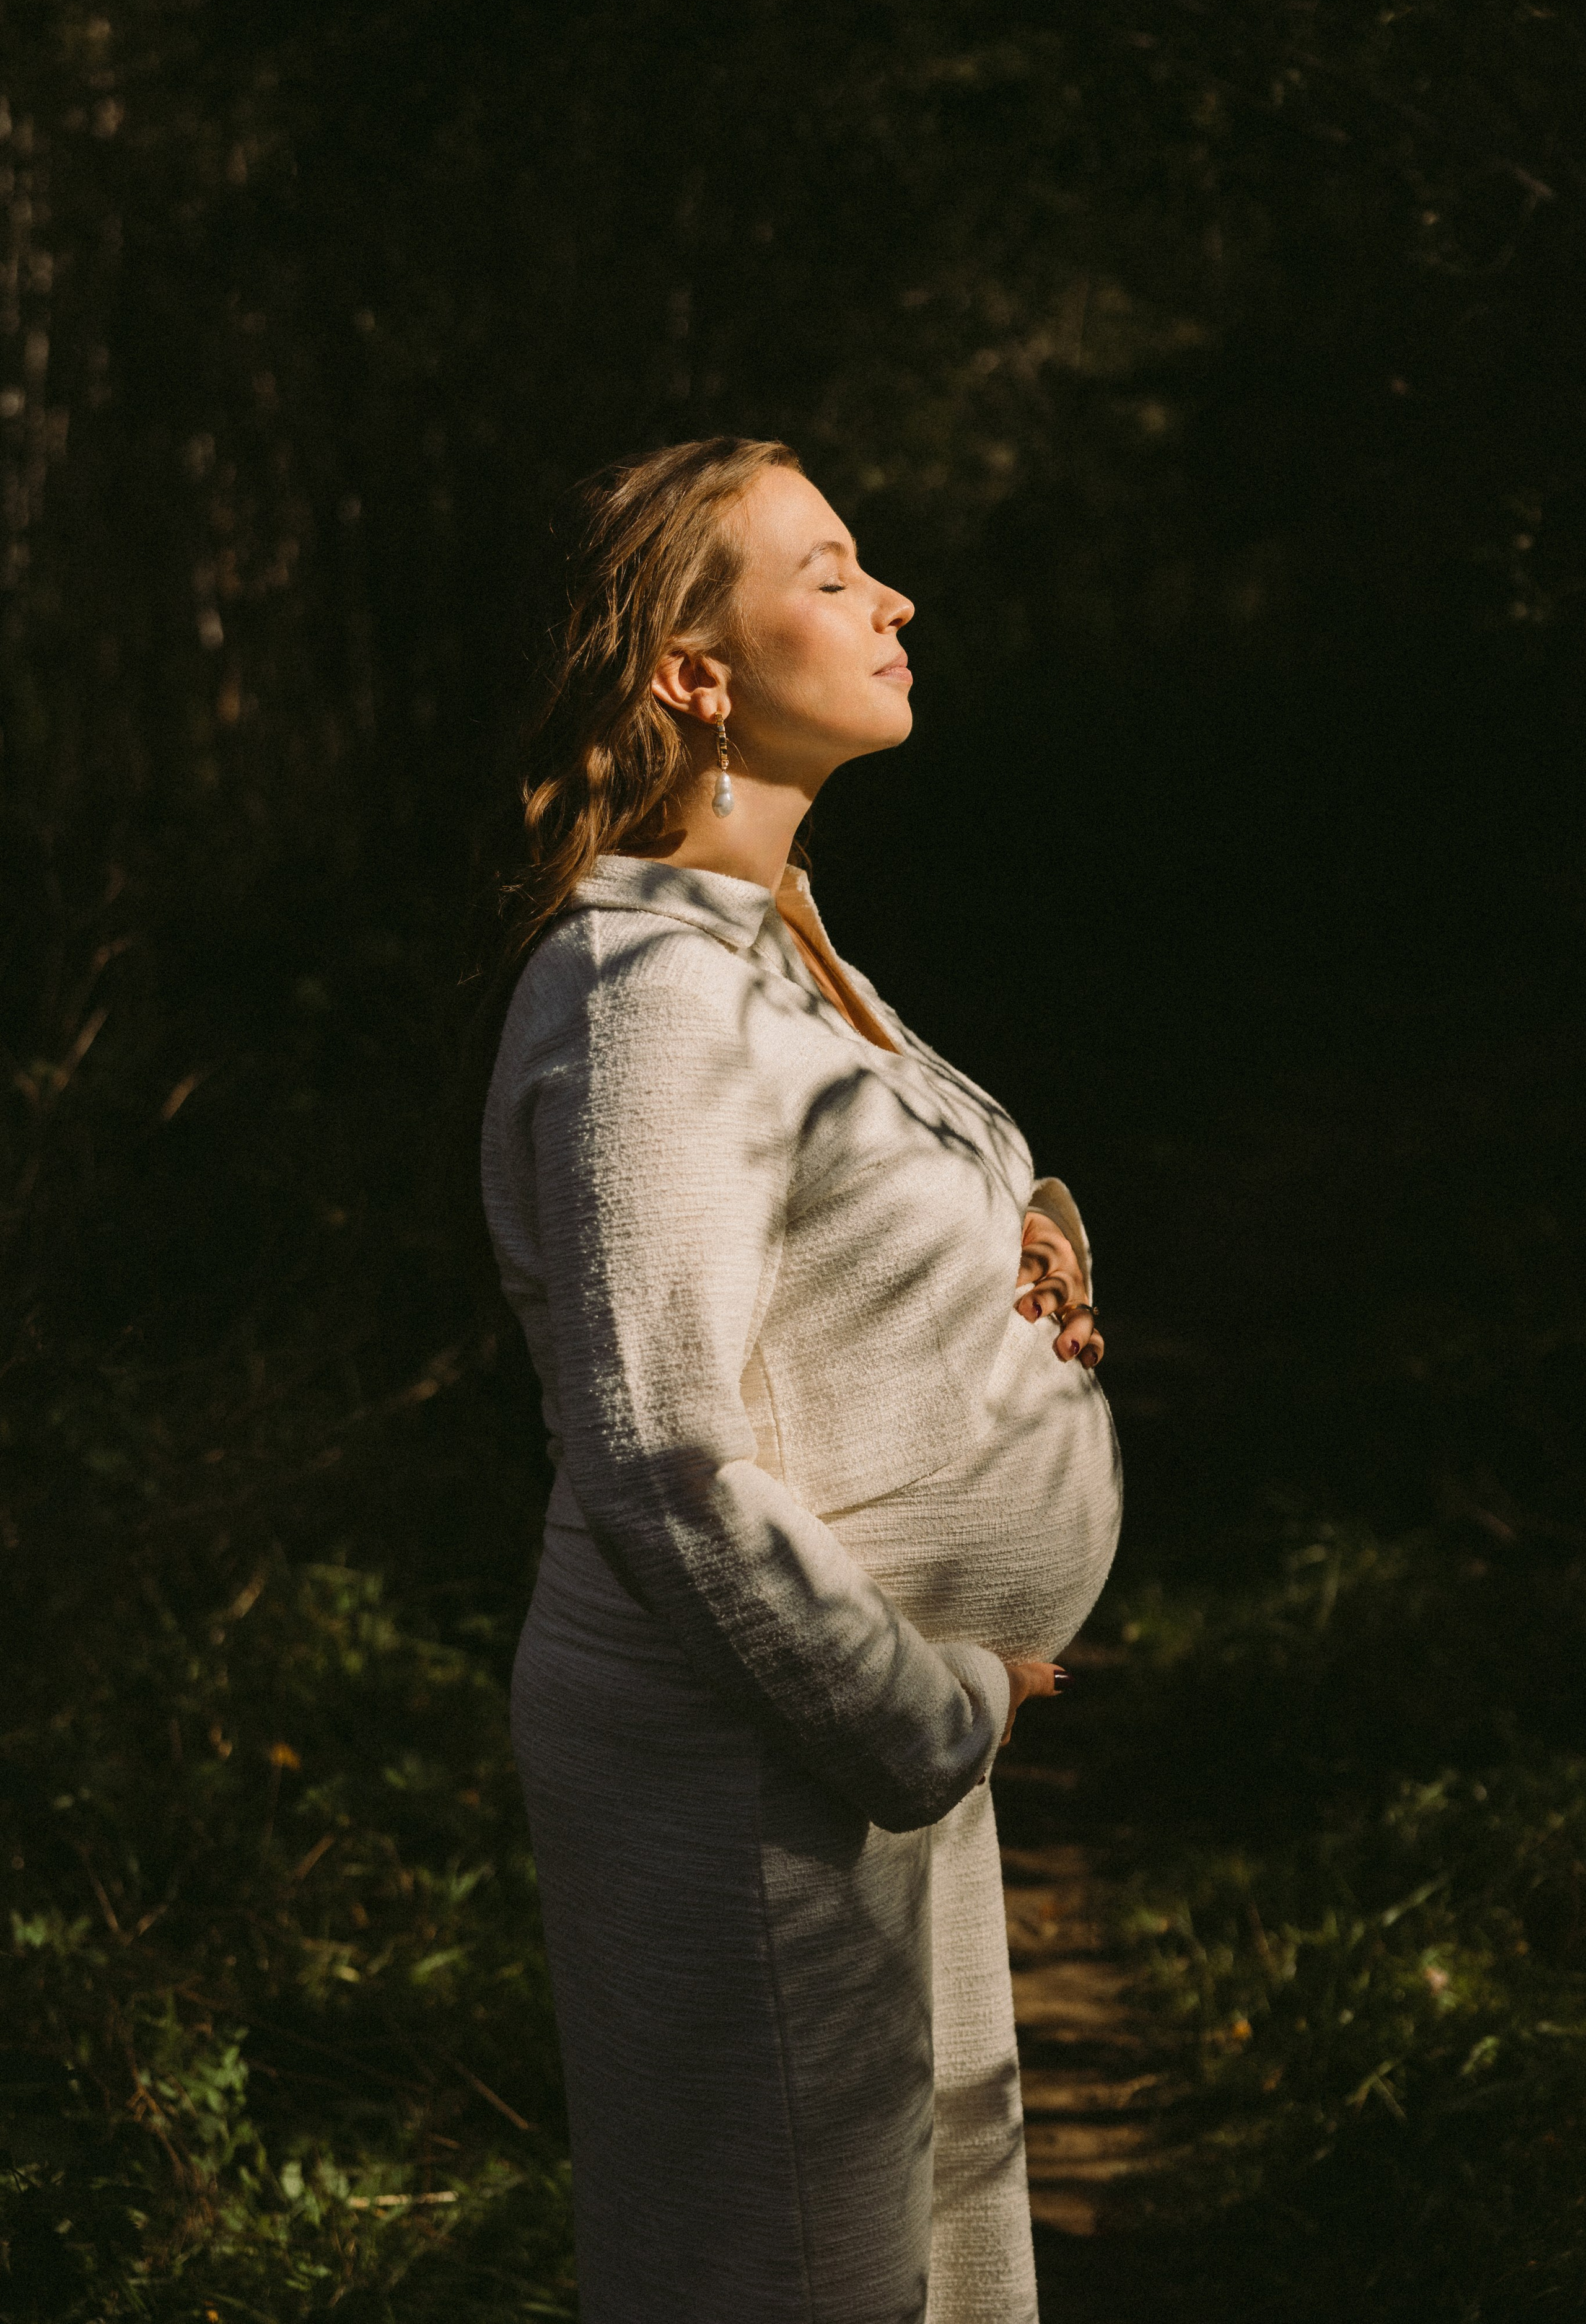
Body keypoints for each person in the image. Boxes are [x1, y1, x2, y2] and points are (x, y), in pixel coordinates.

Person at [480, 436, 1122, 2324]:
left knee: (914, 2271)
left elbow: (853, 1195)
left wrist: (1022, 1253)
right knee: (785, 2284)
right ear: (695, 670)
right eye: (831, 573)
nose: (892, 599)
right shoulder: (644, 997)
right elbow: (663, 1450)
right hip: (752, 1763)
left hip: (842, 1755)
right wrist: (930, 1715)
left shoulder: (774, 939)